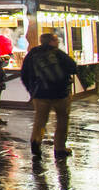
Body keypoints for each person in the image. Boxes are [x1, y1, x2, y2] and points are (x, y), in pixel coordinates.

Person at [21, 32, 79, 160]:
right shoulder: (57, 53)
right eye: (56, 40)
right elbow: (73, 67)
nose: (58, 42)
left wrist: (32, 91)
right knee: (62, 120)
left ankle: (36, 142)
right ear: (51, 42)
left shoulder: (32, 54)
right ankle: (59, 148)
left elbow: (24, 73)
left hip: (40, 94)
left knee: (40, 120)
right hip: (60, 93)